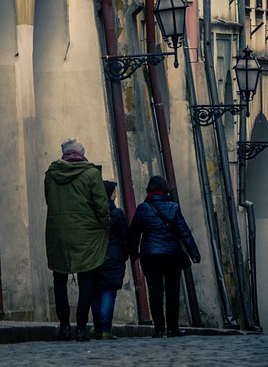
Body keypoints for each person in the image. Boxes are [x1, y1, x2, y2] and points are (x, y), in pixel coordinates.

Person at [44, 139, 109, 341]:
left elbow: (49, 200)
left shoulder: (51, 175)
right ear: (82, 153)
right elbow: (101, 205)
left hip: (58, 233)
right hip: (86, 234)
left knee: (60, 279)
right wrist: (105, 226)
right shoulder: (91, 174)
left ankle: (64, 326)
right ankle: (81, 327)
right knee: (86, 280)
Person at [129, 174, 200, 337]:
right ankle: (172, 328)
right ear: (165, 189)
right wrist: (193, 253)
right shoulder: (173, 207)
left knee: (155, 292)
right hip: (172, 256)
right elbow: (184, 232)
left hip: (150, 256)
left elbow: (134, 234)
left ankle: (159, 328)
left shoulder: (142, 209)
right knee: (173, 292)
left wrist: (133, 254)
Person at [91, 180, 129, 340]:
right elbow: (124, 237)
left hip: (94, 256)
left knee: (95, 293)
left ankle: (98, 328)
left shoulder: (92, 212)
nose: (116, 195)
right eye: (114, 192)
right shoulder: (117, 213)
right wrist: (125, 254)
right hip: (113, 257)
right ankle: (106, 329)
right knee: (107, 293)